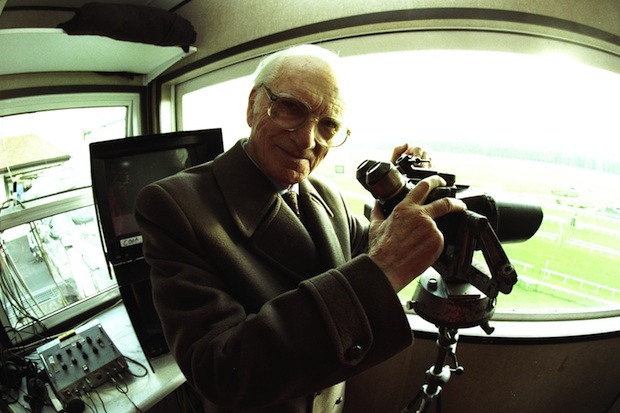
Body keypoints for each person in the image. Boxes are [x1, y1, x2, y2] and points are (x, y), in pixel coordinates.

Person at [134, 44, 466, 412]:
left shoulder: (326, 195)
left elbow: (373, 250)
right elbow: (220, 371)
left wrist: (398, 198)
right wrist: (383, 269)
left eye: (328, 125)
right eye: (292, 107)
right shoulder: (174, 205)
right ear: (253, 105)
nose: (308, 140)